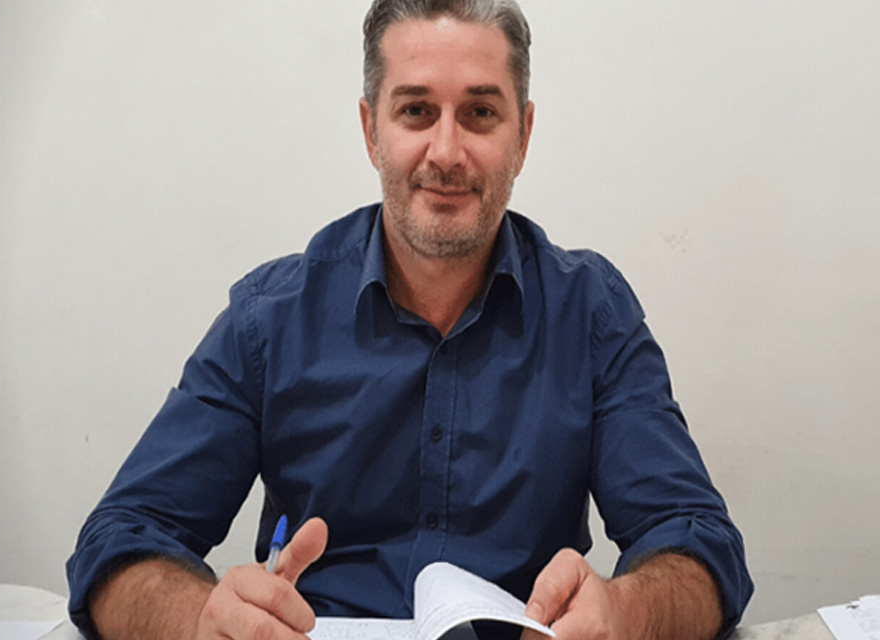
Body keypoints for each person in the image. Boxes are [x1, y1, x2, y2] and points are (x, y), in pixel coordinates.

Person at [67, 1, 753, 639]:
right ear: (372, 131)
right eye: (417, 111)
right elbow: (118, 541)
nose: (446, 152)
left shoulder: (591, 313)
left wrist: (626, 611)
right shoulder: (269, 320)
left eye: (480, 113)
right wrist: (199, 619)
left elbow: (701, 546)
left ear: (523, 135)